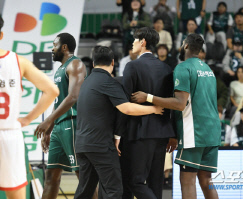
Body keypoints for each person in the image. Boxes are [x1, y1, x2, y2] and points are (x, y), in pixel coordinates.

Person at [131, 33, 220, 199]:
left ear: (185, 46)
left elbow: (180, 103)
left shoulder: (183, 68)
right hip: (212, 132)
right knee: (206, 180)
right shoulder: (207, 69)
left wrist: (148, 97)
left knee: (188, 181)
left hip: (195, 132)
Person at [74, 46, 164, 199]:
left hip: (82, 145)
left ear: (93, 63)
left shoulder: (86, 82)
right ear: (113, 62)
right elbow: (127, 108)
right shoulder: (107, 82)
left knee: (85, 191)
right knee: (114, 190)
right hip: (100, 146)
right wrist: (154, 109)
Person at [0, 16, 59, 199]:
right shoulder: (18, 62)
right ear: (1, 35)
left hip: (10, 133)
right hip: (10, 135)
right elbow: (52, 90)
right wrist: (27, 119)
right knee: (16, 195)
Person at [34, 33, 96, 199]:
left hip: (73, 124)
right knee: (51, 176)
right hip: (59, 127)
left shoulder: (75, 64)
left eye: (54, 46)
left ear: (64, 47)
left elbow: (73, 97)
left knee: (82, 176)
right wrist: (49, 129)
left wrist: (48, 120)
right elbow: (58, 102)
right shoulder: (60, 69)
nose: (52, 50)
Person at [121, 27, 176, 199]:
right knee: (155, 183)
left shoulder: (132, 66)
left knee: (134, 181)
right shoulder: (167, 68)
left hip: (138, 132)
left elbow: (124, 103)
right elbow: (171, 102)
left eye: (135, 40)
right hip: (162, 132)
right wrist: (173, 133)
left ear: (143, 42)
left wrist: (118, 133)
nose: (132, 43)